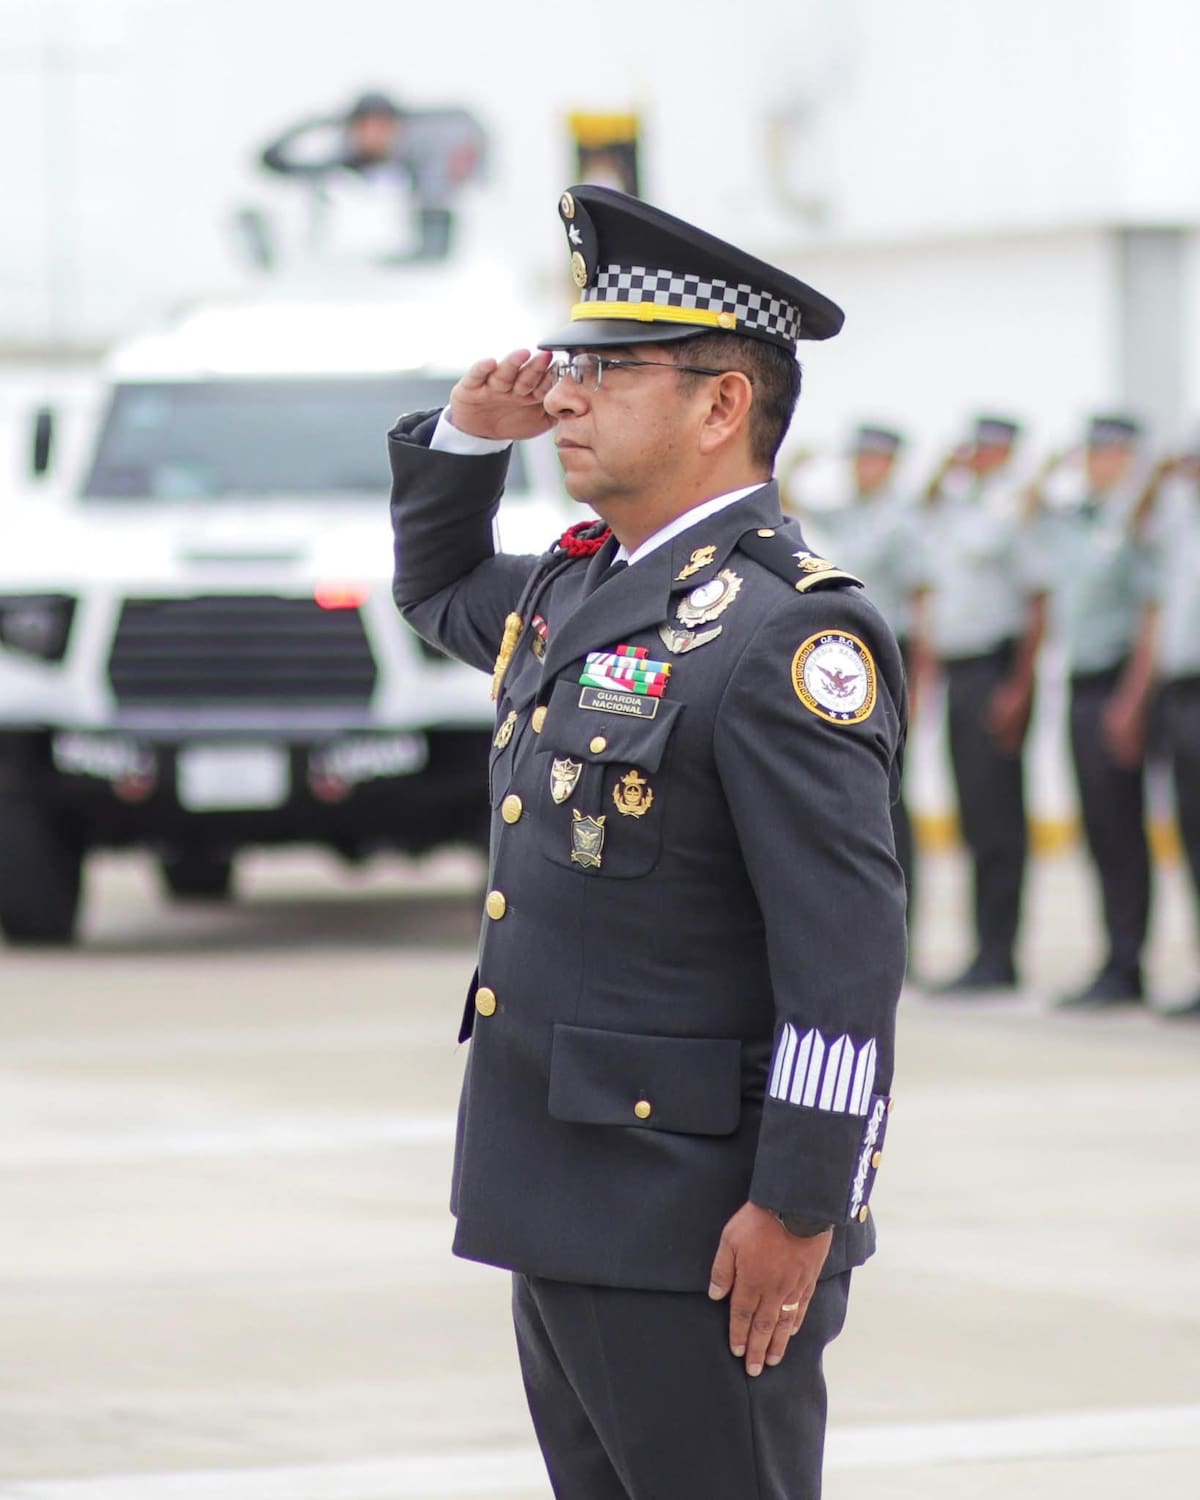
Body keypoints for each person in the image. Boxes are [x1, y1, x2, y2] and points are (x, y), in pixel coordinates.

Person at [388, 185, 908, 1500]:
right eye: (571, 366)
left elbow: (844, 959)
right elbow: (440, 587)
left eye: (608, 372)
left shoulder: (785, 634)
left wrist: (803, 1207)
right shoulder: (584, 585)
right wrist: (464, 437)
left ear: (720, 403)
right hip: (560, 1188)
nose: (565, 398)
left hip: (694, 1222)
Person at [912, 416, 1047, 993]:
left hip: (998, 670)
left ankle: (999, 954)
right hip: (960, 673)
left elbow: (1038, 602)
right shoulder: (960, 511)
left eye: (992, 447)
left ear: (1009, 450)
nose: (981, 456)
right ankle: (984, 951)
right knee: (973, 815)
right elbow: (925, 503)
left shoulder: (1017, 512)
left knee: (998, 821)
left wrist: (1020, 686)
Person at [1032, 415, 1157, 1008]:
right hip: (1081, 685)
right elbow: (1028, 511)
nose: (1097, 463)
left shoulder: (1140, 523)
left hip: (1121, 685)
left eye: (1110, 453)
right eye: (1092, 453)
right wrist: (1049, 465)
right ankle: (1116, 960)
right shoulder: (1076, 522)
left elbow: (1152, 615)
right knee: (1101, 831)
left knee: (1125, 832)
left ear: (1131, 458)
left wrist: (1131, 702)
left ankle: (1129, 963)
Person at [784, 425, 921, 940]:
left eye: (873, 460)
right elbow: (791, 503)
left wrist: (920, 689)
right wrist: (795, 463)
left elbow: (923, 604)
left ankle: (905, 926)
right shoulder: (849, 515)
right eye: (858, 459)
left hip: (893, 658)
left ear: (890, 463)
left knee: (892, 800)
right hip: (848, 658)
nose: (863, 468)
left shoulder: (902, 521)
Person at [1126, 448, 1200, 1019]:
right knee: (1190, 836)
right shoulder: (1178, 517)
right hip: (1178, 694)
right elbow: (1131, 528)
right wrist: (1156, 474)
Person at [259, 90, 485, 260]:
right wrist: (313, 124)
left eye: (382, 126)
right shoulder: (344, 160)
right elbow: (275, 162)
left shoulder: (424, 162)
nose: (374, 135)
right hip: (344, 261)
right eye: (365, 127)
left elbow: (437, 207)